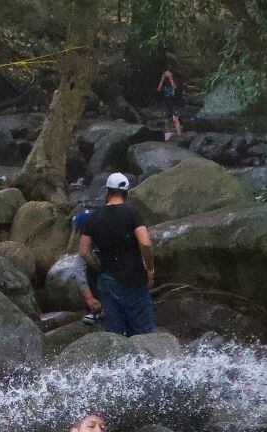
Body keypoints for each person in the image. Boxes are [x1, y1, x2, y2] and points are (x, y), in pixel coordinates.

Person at [79, 174, 155, 337]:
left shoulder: (93, 217)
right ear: (126, 193)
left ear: (107, 192)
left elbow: (84, 252)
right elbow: (145, 243)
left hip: (108, 281)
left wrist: (98, 265)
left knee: (115, 336)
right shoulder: (133, 213)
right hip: (135, 279)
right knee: (144, 335)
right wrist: (150, 269)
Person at [157, 64, 183, 138]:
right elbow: (159, 89)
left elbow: (175, 88)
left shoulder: (176, 79)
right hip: (167, 102)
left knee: (176, 118)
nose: (167, 74)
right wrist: (162, 80)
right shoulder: (164, 81)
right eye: (166, 73)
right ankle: (168, 135)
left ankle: (180, 135)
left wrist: (171, 78)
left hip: (176, 101)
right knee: (166, 119)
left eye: (168, 72)